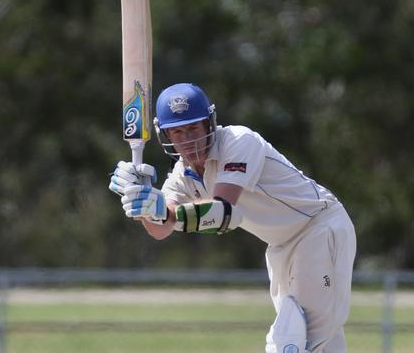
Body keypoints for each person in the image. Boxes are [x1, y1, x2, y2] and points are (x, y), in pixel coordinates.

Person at [109, 83, 356, 353]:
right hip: (280, 246)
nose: (187, 139)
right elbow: (160, 230)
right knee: (323, 342)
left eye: (193, 128)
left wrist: (163, 213)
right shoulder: (181, 176)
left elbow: (223, 212)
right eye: (178, 132)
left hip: (317, 226)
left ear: (209, 124)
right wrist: (143, 203)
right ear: (166, 134)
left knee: (296, 342)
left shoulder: (239, 141)